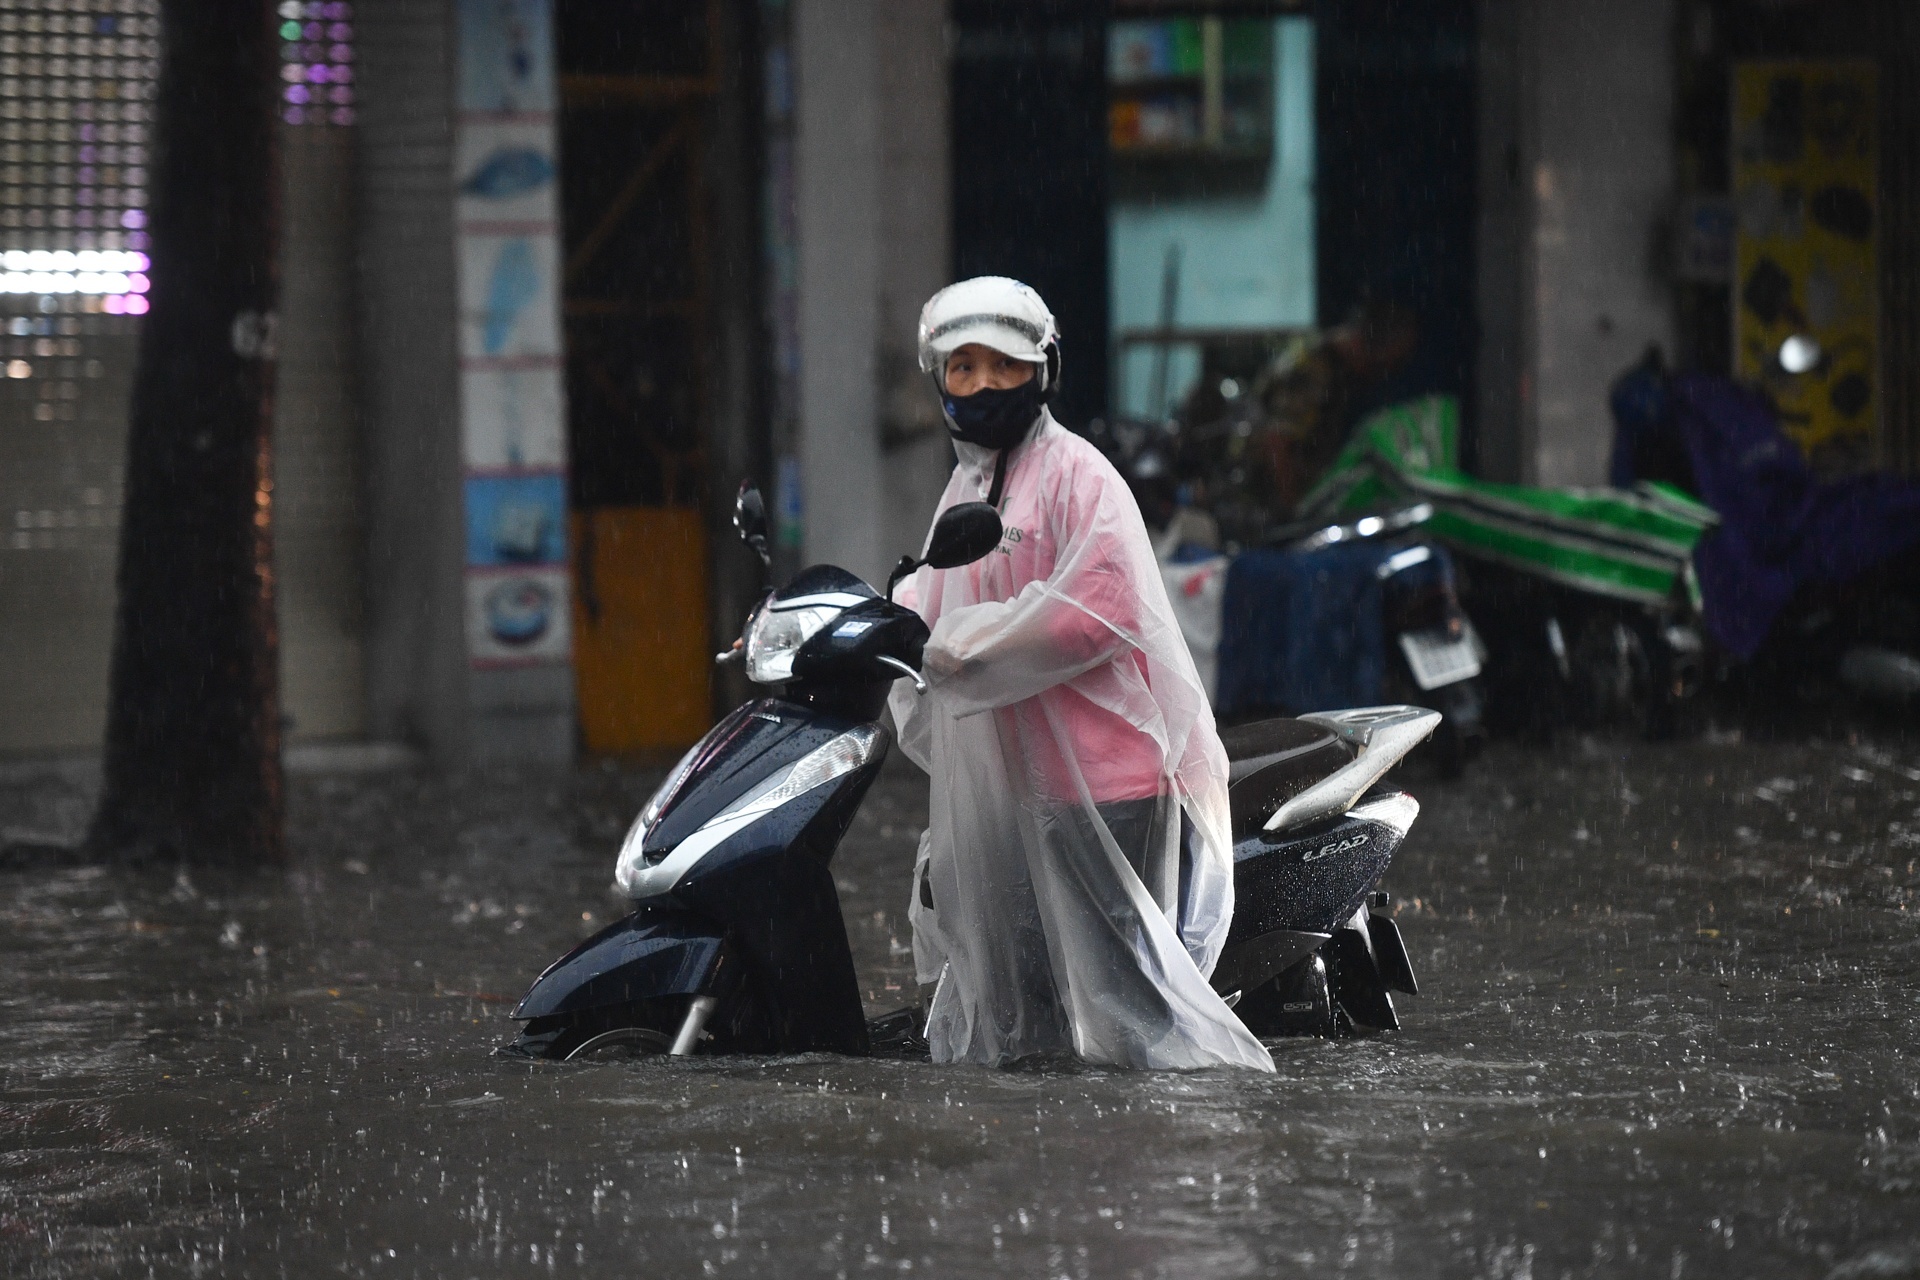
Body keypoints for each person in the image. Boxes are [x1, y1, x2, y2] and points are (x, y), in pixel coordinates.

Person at [889, 276, 1273, 1072]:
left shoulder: (1079, 476)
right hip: (1024, 786)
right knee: (1038, 1013)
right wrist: (884, 620)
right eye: (962, 368)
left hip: (1115, 780)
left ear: (1042, 371)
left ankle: (1150, 1172)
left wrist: (973, 647)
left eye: (1002, 364)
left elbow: (1095, 610)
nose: (983, 383)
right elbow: (934, 591)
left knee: (1125, 1017)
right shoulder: (966, 485)